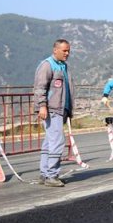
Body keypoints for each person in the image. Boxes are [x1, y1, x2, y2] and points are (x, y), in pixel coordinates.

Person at [33, 39, 74, 187]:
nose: (67, 53)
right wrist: (42, 106)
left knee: (49, 142)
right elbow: (40, 88)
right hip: (52, 109)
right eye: (64, 51)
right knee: (57, 141)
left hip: (62, 109)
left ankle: (44, 174)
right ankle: (52, 175)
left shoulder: (63, 66)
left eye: (68, 50)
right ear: (55, 50)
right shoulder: (47, 65)